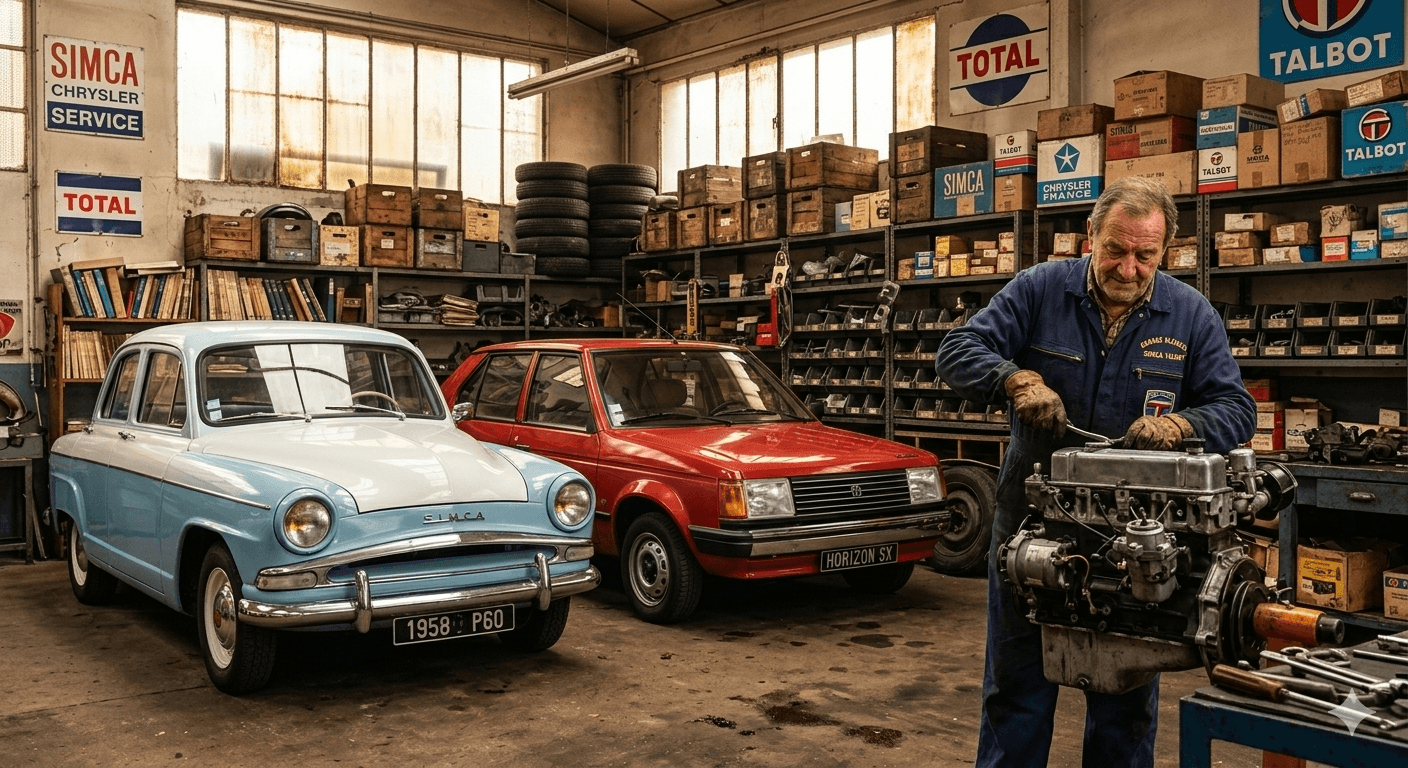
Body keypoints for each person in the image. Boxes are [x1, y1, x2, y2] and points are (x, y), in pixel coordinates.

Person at [934, 176, 1255, 768]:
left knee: (1124, 701)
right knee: (1017, 693)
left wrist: (1181, 426)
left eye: (1145, 254)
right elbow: (956, 351)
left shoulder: (1189, 315)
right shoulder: (1039, 290)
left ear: (1166, 251)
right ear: (1090, 237)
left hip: (1138, 539)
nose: (1128, 268)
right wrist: (1016, 379)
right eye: (1115, 249)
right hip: (1032, 528)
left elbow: (1237, 408)